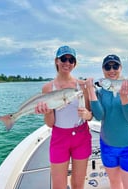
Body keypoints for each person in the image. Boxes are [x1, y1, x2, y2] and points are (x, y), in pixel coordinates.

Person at [35, 45, 93, 189]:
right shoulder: (48, 88)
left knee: (78, 184)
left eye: (71, 60)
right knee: (58, 186)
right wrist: (47, 112)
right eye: (64, 59)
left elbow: (90, 115)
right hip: (59, 138)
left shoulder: (82, 86)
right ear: (56, 61)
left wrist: (87, 115)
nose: (67, 63)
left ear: (75, 64)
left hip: (81, 136)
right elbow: (50, 124)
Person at [86, 54, 128, 189]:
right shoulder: (100, 92)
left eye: (115, 66)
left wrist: (124, 97)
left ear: (120, 68)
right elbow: (99, 116)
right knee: (115, 184)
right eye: (107, 67)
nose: (111, 70)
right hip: (108, 145)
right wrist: (91, 91)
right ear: (103, 70)